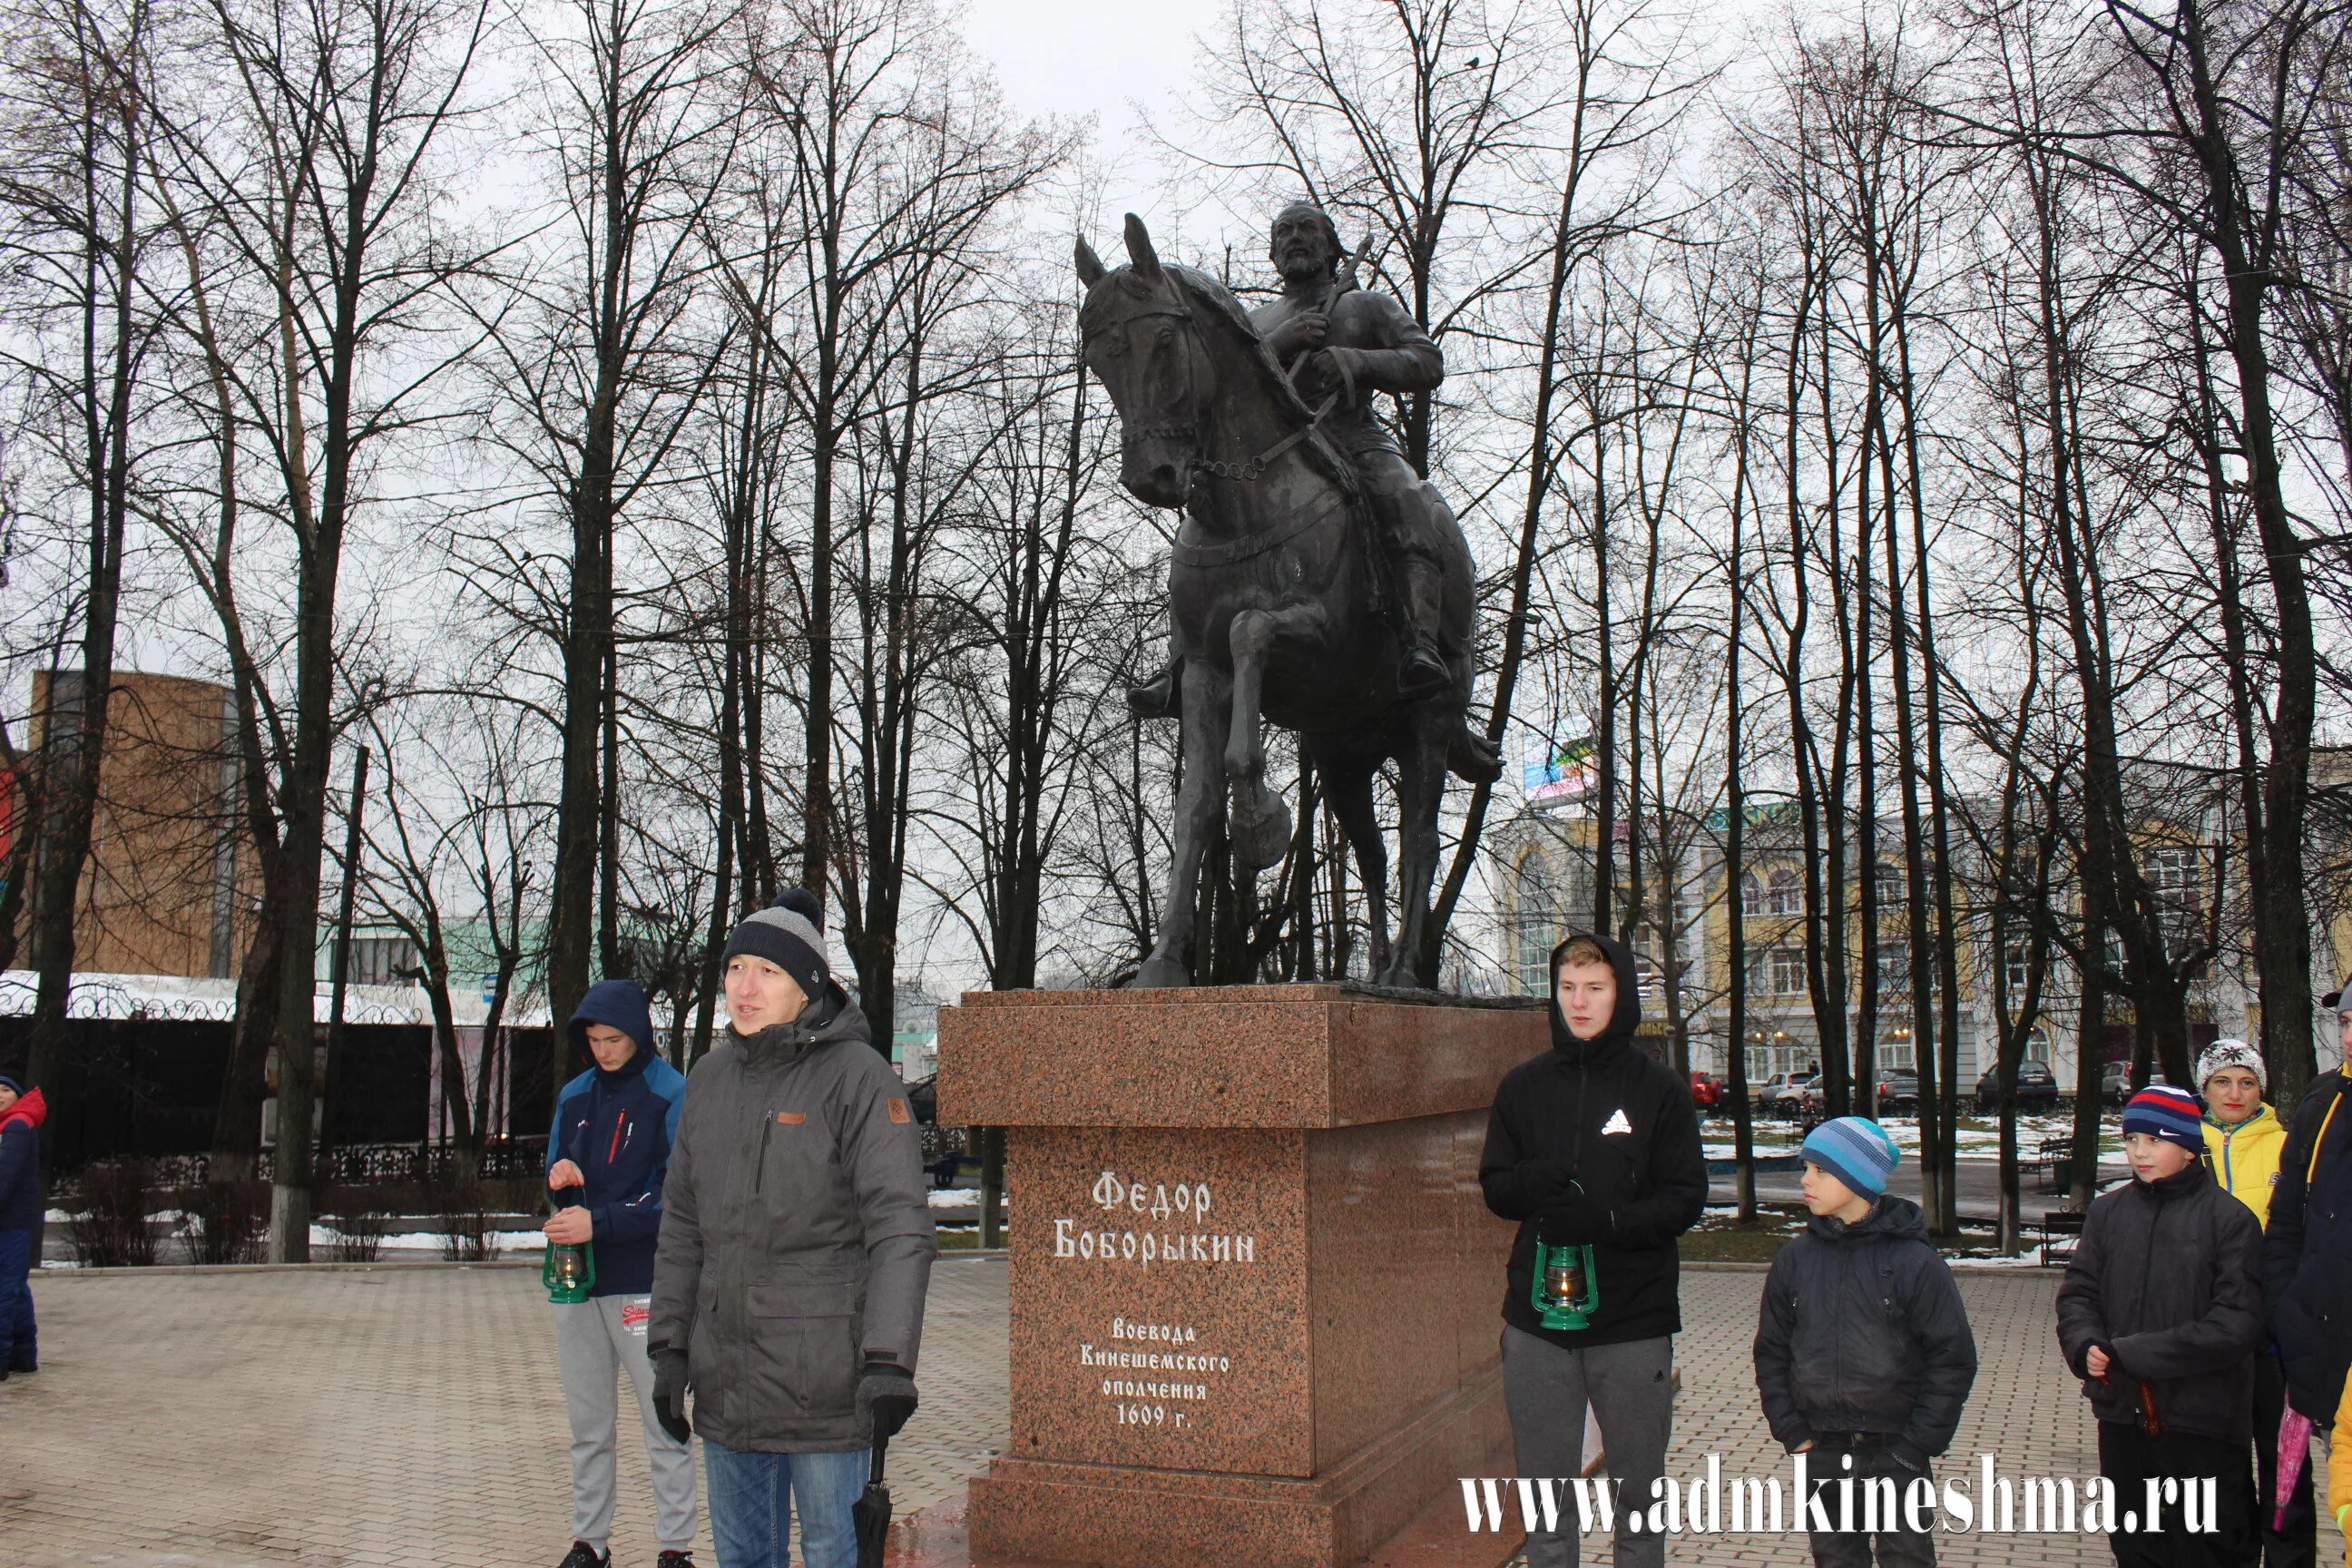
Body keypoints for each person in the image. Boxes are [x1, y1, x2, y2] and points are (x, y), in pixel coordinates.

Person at [648, 890, 936, 1568]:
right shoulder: (710, 1081)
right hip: (728, 1385)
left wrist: (889, 1361)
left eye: (767, 972)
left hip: (826, 1386)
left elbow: (900, 1226)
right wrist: (670, 1348)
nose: (745, 988)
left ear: (807, 986)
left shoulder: (859, 1079)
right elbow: (684, 1227)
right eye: (735, 968)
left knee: (833, 1552)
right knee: (744, 1557)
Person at [1125, 199, 1454, 714]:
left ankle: (1419, 644)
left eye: (1307, 229)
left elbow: (1425, 361)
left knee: (1406, 498)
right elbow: (1223, 389)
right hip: (1275, 460)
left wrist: (1356, 358)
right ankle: (1184, 662)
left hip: (1353, 441)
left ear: (1328, 244)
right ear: (1274, 253)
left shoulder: (1364, 306)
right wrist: (1276, 342)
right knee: (1200, 532)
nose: (1295, 238)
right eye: (1285, 232)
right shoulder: (1255, 321)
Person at [1477, 931, 1708, 1568]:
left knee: (1639, 1502)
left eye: (1595, 988)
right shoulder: (1523, 1086)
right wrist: (1528, 1182)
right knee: (1548, 1506)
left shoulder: (1658, 1089)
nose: (1580, 1003)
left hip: (1632, 1323)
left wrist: (1605, 1220)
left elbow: (1686, 1198)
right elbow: (1495, 1186)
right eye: (1568, 988)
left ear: (1621, 993)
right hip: (1537, 1326)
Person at [1754, 1117, 1977, 1567]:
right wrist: (1793, 1432)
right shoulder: (1795, 1260)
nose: (1805, 1180)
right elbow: (1772, 1351)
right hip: (1821, 1448)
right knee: (1834, 1558)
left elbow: (1952, 1358)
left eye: (1820, 1170)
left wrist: (1916, 1444)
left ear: (1857, 1179)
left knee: (1906, 1558)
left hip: (1896, 1447)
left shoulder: (1915, 1263)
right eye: (1806, 1168)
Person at [2057, 1083, 2264, 1567]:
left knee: (2209, 1551)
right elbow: (2079, 1292)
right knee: (2137, 1548)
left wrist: (2135, 1352)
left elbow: (2237, 1324)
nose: (2140, 1152)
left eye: (2155, 1140)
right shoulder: (2109, 1213)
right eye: (2131, 1139)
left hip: (2204, 1422)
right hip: (2123, 1418)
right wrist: (2085, 1344)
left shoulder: (2230, 1221)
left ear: (2189, 1148)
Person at [544, 978, 697, 1568]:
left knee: (665, 1418)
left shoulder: (671, 1092)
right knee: (588, 1422)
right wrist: (561, 1184)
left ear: (639, 1035)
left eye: (614, 1038)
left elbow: (675, 1196)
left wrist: (599, 1222)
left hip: (645, 1282)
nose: (603, 1050)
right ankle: (590, 1543)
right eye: (594, 1039)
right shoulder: (573, 1096)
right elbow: (560, 1175)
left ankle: (675, 1548)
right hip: (577, 1282)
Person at [2199, 1038, 2308, 1568]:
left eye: (2246, 1081)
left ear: (2262, 1088)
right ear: (2205, 1090)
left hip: (2273, 1334)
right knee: (2222, 1458)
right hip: (2209, 1332)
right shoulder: (2182, 1146)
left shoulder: (2287, 1145)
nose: (2234, 1093)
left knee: (2285, 1459)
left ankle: (2289, 1557)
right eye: (2222, 1081)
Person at [0, 1073, 44, 1380]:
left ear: (17, 1095)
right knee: (15, 1287)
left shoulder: (16, 1126)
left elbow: (5, 1177)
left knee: (4, 1290)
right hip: (15, 1220)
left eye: (5, 1090)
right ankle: (23, 1355)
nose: (0, 1096)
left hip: (10, 1220)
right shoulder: (12, 1125)